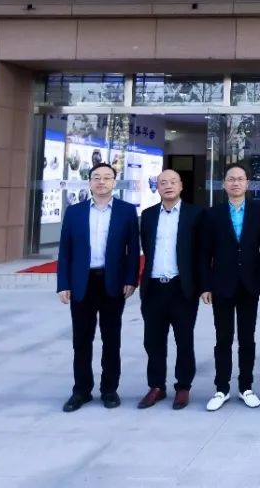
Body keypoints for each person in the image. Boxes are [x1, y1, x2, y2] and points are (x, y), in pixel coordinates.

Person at [56, 162, 140, 412]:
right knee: (81, 339)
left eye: (107, 177)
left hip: (112, 283)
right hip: (82, 283)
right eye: (96, 177)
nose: (101, 181)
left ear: (114, 181)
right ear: (89, 182)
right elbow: (65, 250)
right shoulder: (75, 212)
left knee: (111, 339)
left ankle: (109, 389)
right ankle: (81, 390)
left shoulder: (126, 211)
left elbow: (133, 250)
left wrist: (131, 279)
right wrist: (63, 283)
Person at [199, 162, 260, 412]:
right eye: (231, 179)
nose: (236, 183)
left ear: (247, 183)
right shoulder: (212, 214)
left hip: (250, 283)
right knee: (223, 338)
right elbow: (204, 253)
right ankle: (221, 388)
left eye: (240, 179)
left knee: (247, 338)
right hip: (221, 284)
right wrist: (205, 285)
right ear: (224, 184)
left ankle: (246, 387)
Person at [137, 170, 203, 410]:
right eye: (163, 182)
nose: (168, 186)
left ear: (181, 186)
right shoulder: (148, 215)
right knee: (153, 341)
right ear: (157, 187)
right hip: (154, 287)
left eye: (173, 182)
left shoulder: (195, 214)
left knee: (184, 339)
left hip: (181, 288)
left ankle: (183, 387)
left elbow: (201, 254)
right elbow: (146, 248)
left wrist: (203, 286)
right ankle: (156, 386)